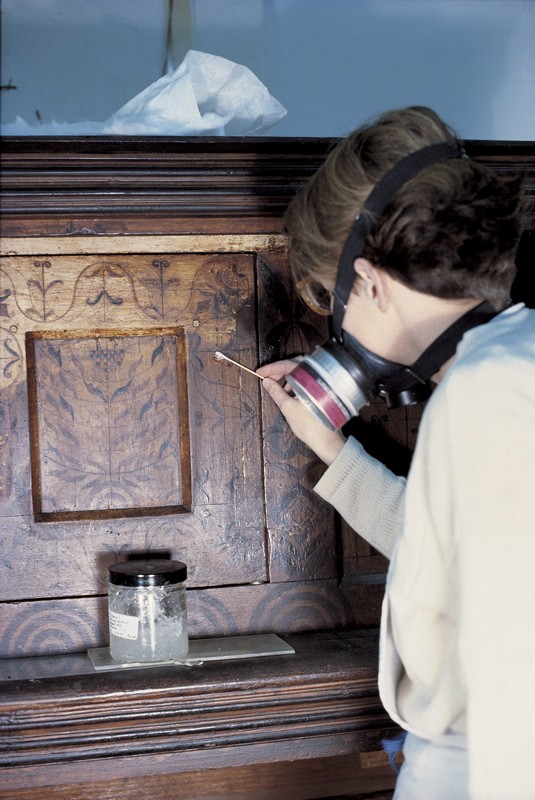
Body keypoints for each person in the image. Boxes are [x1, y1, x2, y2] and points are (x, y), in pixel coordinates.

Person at [257, 106, 535, 799]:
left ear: (372, 282)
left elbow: (515, 683)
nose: (339, 327)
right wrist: (330, 447)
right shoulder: (507, 364)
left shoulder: (489, 389)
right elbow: (454, 560)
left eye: (333, 303)